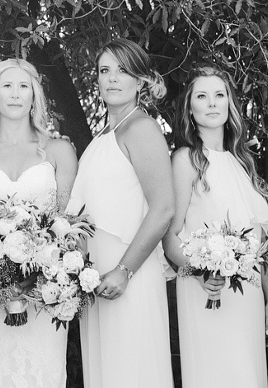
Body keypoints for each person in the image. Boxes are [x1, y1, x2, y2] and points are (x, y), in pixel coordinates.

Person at [0, 59, 78, 388]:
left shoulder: (59, 150)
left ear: (34, 97)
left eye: (24, 86)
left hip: (43, 291)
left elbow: (66, 225)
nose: (15, 94)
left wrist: (42, 268)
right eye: (7, 86)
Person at [163, 67, 268, 388]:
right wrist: (200, 271)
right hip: (204, 289)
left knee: (248, 375)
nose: (212, 103)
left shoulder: (243, 163)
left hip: (248, 295)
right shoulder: (186, 160)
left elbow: (261, 242)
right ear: (190, 108)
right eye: (202, 96)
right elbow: (170, 237)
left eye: (219, 95)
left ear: (229, 105)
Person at [66, 38, 173, 388]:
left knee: (132, 371)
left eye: (123, 70)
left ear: (140, 80)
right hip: (97, 278)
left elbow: (163, 208)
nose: (112, 78)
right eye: (104, 71)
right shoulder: (104, 135)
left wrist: (124, 270)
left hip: (129, 272)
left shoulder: (140, 128)